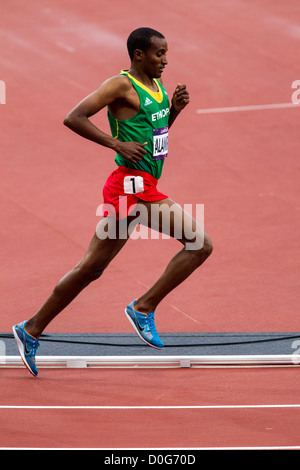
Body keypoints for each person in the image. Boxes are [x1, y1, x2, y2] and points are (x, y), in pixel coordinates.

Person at [13, 27, 213, 376]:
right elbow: (73, 117)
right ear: (138, 55)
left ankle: (30, 329)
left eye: (166, 53)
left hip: (142, 183)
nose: (165, 60)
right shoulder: (121, 84)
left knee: (92, 268)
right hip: (130, 187)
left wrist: (174, 111)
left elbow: (156, 136)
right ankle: (143, 307)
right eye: (158, 54)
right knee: (199, 244)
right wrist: (115, 145)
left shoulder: (156, 87)